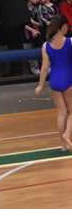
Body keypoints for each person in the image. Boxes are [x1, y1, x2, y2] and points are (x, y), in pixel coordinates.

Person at [35, 15, 72, 151]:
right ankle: (67, 135)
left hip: (55, 80)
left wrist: (40, 85)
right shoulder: (70, 42)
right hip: (68, 78)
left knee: (61, 112)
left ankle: (62, 144)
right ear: (63, 27)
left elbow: (44, 67)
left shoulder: (46, 46)